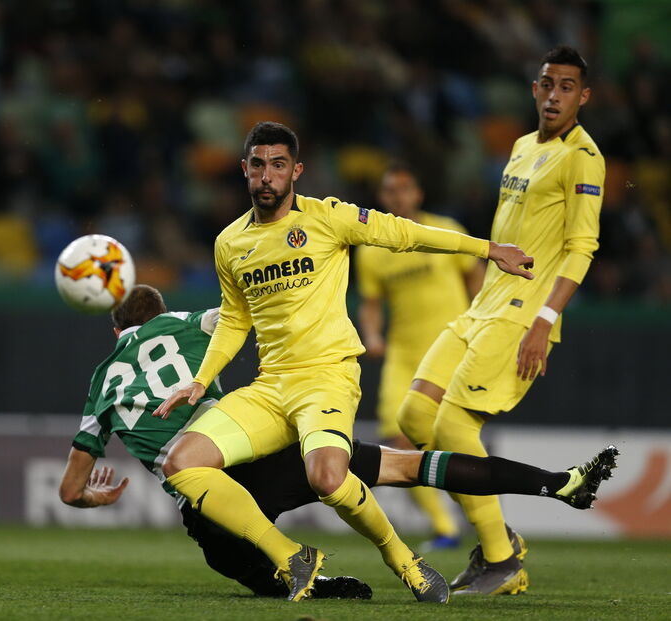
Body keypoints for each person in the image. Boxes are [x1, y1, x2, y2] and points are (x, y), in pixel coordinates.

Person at [151, 120, 536, 603]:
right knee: (182, 463)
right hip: (271, 388)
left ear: (296, 171)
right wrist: (200, 380)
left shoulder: (326, 217)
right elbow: (234, 318)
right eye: (258, 165)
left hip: (326, 377)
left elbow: (405, 233)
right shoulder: (229, 243)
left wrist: (488, 249)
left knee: (328, 477)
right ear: (243, 169)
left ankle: (403, 560)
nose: (267, 175)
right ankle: (292, 555)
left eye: (278, 165)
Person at [58, 285, 619, 600]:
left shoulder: (101, 379)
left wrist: (92, 498)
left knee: (245, 572)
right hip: (263, 453)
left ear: (115, 333)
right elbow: (248, 316)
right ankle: (557, 482)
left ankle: (316, 580)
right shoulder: (188, 322)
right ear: (161, 315)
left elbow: (69, 489)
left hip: (210, 502)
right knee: (407, 466)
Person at [394, 45, 606, 596]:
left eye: (566, 86)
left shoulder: (583, 157)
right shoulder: (518, 147)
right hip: (482, 304)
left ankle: (499, 559)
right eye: (546, 84)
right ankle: (498, 537)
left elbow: (581, 249)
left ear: (582, 97)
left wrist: (544, 320)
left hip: (521, 314)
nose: (554, 94)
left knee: (453, 428)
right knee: (415, 416)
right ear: (534, 89)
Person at [355, 163, 486, 550]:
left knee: (446, 437)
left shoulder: (444, 230)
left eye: (405, 188)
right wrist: (373, 335)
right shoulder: (373, 249)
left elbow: (476, 275)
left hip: (449, 350)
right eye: (390, 191)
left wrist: (478, 319)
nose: (398, 197)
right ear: (382, 199)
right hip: (403, 354)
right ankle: (445, 527)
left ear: (418, 194)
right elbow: (371, 303)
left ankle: (482, 521)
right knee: (397, 442)